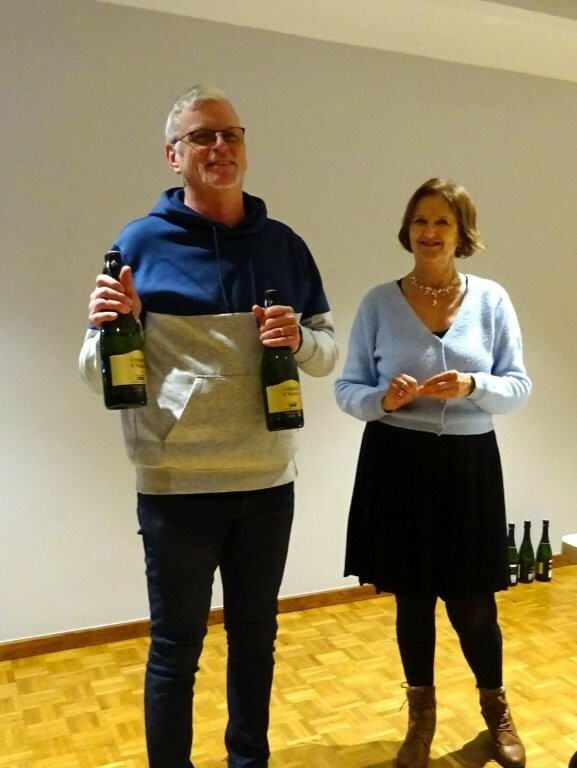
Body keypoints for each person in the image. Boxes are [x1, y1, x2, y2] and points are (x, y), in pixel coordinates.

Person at [79, 84, 337, 768]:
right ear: (174, 155)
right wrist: (118, 326)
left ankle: (249, 761)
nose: (219, 146)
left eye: (230, 134)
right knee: (176, 648)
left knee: (256, 638)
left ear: (244, 147)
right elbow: (93, 371)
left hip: (266, 483)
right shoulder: (138, 244)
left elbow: (327, 353)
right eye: (201, 136)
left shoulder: (285, 245)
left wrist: (299, 341)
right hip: (176, 489)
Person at [334, 178, 531, 768]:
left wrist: (474, 385)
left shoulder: (491, 300)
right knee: (413, 601)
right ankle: (421, 719)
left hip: (469, 468)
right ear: (407, 230)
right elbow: (347, 389)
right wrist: (383, 400)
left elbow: (518, 387)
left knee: (474, 603)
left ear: (461, 232)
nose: (429, 231)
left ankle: (497, 711)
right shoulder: (378, 302)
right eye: (420, 220)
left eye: (443, 221)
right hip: (397, 463)